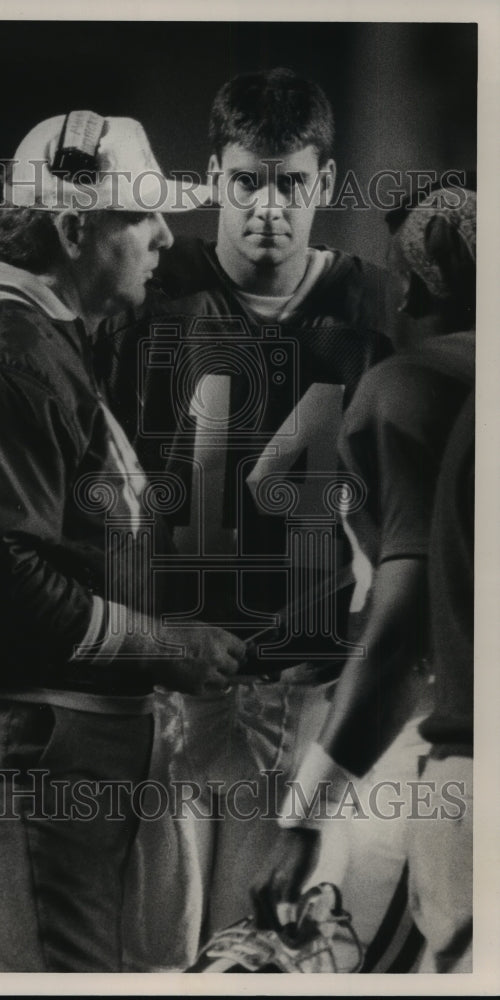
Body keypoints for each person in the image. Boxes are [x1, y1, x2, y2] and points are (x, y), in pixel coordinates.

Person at [0, 110, 248, 973]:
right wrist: (163, 642)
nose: (165, 235)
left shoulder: (42, 343)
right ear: (74, 225)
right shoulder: (5, 350)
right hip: (31, 738)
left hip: (59, 742)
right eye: (142, 215)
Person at [96, 68, 394, 969]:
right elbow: (102, 484)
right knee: (154, 955)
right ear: (215, 175)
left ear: (327, 186)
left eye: (292, 184)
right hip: (172, 685)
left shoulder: (374, 304)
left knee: (264, 956)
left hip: (306, 682)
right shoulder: (151, 290)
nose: (268, 208)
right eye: (246, 183)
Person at [254, 186, 476, 973]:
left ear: (415, 285)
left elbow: (401, 617)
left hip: (427, 737)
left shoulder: (402, 384)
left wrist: (306, 808)